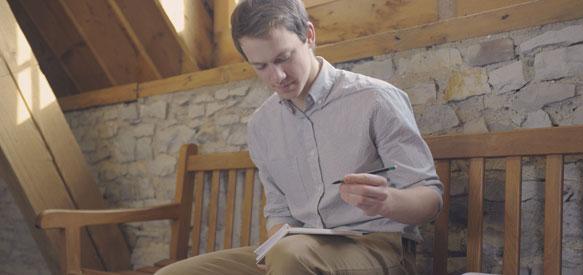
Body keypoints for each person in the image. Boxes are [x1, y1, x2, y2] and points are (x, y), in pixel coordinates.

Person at [157, 0, 442, 274]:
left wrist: (386, 201)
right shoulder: (262, 126)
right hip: (296, 253)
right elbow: (279, 211)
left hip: (377, 247)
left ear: (309, 35)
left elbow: (430, 198)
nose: (277, 76)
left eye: (284, 58)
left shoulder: (375, 99)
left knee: (289, 256)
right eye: (261, 66)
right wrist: (276, 243)